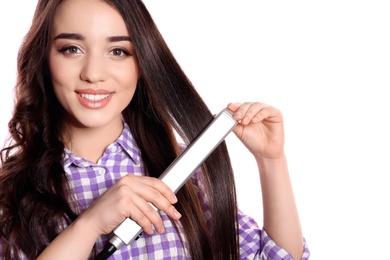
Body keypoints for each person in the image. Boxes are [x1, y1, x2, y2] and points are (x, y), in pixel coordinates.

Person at [0, 0, 310, 259]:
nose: (93, 73)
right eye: (71, 48)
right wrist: (90, 225)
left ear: (142, 62)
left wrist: (271, 162)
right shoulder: (12, 194)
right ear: (43, 57)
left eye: (118, 51)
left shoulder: (179, 172)